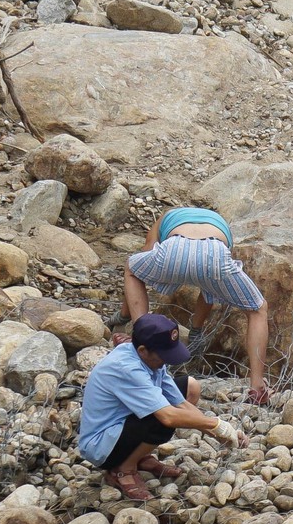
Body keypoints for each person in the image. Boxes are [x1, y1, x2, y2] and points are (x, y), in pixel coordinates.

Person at [78, 314, 239, 502]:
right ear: (143, 350)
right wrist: (215, 424)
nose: (166, 361)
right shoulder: (127, 368)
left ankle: (139, 457)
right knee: (163, 419)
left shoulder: (151, 361)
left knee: (190, 386)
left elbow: (181, 403)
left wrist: (221, 431)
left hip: (124, 425)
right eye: (163, 356)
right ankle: (123, 469)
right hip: (101, 445)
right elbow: (169, 416)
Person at [122, 206, 270, 405]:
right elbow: (210, 290)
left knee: (131, 269)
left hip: (175, 247)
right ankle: (257, 385)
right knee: (257, 310)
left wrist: (124, 315)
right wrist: (196, 329)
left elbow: (145, 255)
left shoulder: (166, 217)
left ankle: (143, 336)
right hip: (215, 252)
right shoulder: (220, 224)